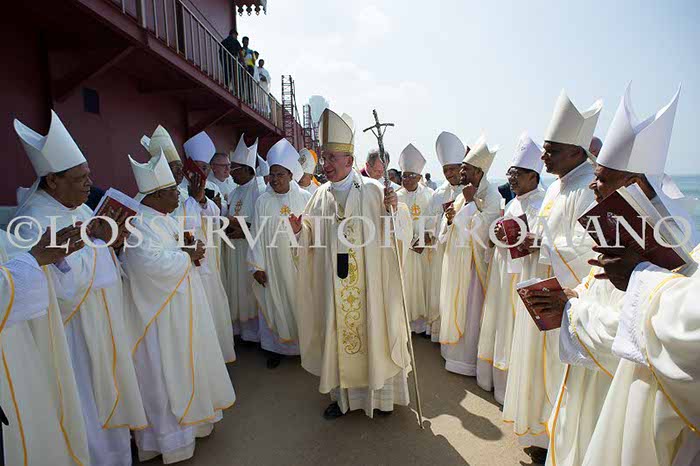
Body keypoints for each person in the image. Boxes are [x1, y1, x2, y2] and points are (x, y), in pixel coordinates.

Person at [541, 85, 698, 466]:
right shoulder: (623, 229)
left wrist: (573, 311)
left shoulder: (673, 249)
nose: (593, 185)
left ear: (636, 186)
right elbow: (600, 286)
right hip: (588, 372)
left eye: (604, 177)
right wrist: (577, 294)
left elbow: (637, 335)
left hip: (614, 389)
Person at [13, 110, 148, 466]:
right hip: (73, 332)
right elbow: (51, 286)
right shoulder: (32, 219)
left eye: (89, 176)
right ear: (53, 181)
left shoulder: (81, 210)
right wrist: (98, 244)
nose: (90, 184)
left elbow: (100, 259)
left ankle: (118, 455)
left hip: (102, 322)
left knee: (110, 393)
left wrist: (112, 242)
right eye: (80, 178)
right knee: (86, 402)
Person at [292, 108, 413, 419]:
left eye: (332, 158)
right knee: (337, 335)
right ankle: (343, 399)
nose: (326, 165)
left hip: (370, 285)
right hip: (334, 283)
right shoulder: (319, 196)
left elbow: (399, 234)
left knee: (374, 333)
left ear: (349, 160)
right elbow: (310, 237)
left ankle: (382, 399)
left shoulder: (374, 191)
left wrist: (395, 211)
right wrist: (300, 231)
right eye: (324, 158)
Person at [502, 91, 602, 464]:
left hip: (563, 293)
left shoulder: (587, 187)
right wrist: (534, 241)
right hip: (540, 284)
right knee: (536, 366)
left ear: (576, 152)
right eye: (544, 150)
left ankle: (555, 441)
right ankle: (541, 434)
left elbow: (590, 247)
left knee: (558, 370)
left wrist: (540, 243)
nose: (544, 158)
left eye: (551, 151)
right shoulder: (560, 185)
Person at [123, 153, 236, 463]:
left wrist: (189, 250)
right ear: (156, 195)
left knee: (189, 366)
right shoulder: (139, 224)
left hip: (182, 306)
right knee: (166, 376)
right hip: (161, 316)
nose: (179, 194)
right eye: (173, 190)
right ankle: (171, 441)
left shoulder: (164, 216)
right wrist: (187, 255)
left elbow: (177, 246)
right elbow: (146, 266)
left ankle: (196, 425)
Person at [1, 225, 90, 466]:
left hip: (18, 349)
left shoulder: (6, 237)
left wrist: (53, 260)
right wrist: (34, 260)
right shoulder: (34, 214)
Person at [476, 133, 545, 404]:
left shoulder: (541, 203)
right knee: (500, 324)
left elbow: (544, 239)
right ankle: (495, 382)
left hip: (524, 273)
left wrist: (534, 240)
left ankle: (512, 392)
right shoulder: (514, 201)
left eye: (518, 174)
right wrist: (498, 235)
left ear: (533, 176)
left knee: (514, 329)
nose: (512, 179)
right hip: (503, 271)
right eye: (510, 173)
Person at [438, 135, 501, 377]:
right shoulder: (462, 194)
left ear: (478, 171)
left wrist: (471, 203)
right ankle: (451, 354)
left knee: (471, 312)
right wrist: (449, 219)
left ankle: (466, 361)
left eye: (465, 168)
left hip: (474, 267)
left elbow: (484, 231)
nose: (461, 172)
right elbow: (451, 223)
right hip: (457, 263)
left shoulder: (491, 194)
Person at [248, 139, 311, 368]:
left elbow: (314, 232)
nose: (274, 179)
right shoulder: (263, 201)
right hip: (272, 264)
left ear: (291, 175)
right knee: (275, 303)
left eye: (280, 174)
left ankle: (306, 348)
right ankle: (277, 348)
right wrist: (256, 266)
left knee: (301, 304)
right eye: (272, 174)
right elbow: (255, 233)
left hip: (299, 264)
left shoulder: (305, 197)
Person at [181, 131, 236, 363]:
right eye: (198, 166)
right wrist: (194, 199)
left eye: (204, 167)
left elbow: (215, 216)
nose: (201, 172)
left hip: (211, 257)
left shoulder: (207, 187)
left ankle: (218, 356)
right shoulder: (178, 191)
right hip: (192, 261)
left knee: (214, 303)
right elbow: (184, 224)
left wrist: (203, 200)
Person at [424, 132, 466, 341]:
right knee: (441, 290)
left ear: (462, 168)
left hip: (464, 251)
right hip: (442, 251)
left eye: (453, 169)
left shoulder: (472, 191)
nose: (449, 174)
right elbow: (429, 222)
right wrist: (442, 222)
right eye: (445, 170)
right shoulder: (438, 194)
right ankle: (439, 331)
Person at [224, 135, 261, 342]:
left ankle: (255, 333)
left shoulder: (259, 190)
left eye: (235, 170)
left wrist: (240, 229)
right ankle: (241, 330)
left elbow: (261, 225)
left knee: (249, 290)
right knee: (237, 288)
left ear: (248, 170)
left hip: (250, 250)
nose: (231, 174)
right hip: (234, 249)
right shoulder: (234, 191)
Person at [395, 144, 435, 334]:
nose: (407, 179)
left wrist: (426, 237)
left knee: (424, 284)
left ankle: (424, 325)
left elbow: (435, 218)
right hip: (403, 250)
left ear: (419, 177)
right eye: (404, 176)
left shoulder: (430, 195)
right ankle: (405, 324)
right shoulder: (396, 197)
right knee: (406, 286)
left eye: (412, 176)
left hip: (424, 250)